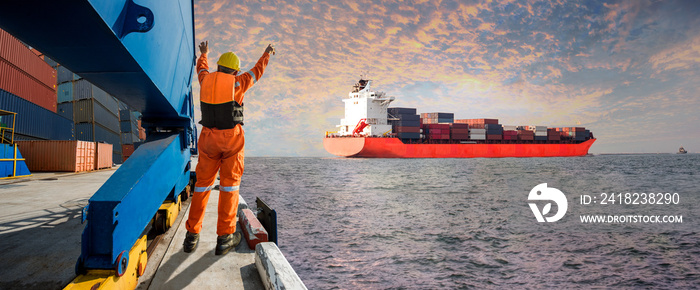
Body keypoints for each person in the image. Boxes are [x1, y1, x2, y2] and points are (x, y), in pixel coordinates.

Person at [184, 41, 275, 255]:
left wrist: (204, 53)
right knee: (229, 186)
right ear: (235, 70)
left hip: (207, 138)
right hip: (231, 139)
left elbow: (201, 67)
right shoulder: (239, 82)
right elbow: (257, 71)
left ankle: (191, 236)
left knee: (201, 186)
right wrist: (266, 54)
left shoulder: (205, 79)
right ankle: (225, 237)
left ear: (218, 67)